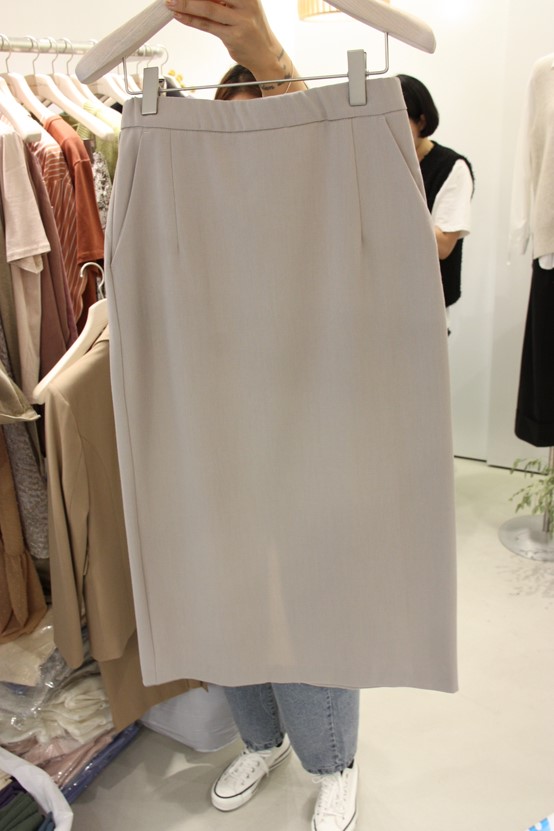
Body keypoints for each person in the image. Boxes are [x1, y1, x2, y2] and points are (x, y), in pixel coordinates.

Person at [160, 5, 359, 831]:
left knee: (307, 601)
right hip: (217, 434)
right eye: (231, 128)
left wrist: (268, 55)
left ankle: (334, 759)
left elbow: (325, 155)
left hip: (307, 430)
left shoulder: (313, 215)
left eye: (264, 125)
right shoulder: (195, 214)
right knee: (230, 594)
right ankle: (260, 737)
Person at [397, 74, 474, 320]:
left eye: (399, 124)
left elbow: (443, 245)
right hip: (382, 297)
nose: (391, 133)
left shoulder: (452, 168)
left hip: (426, 306)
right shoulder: (383, 162)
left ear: (422, 121)